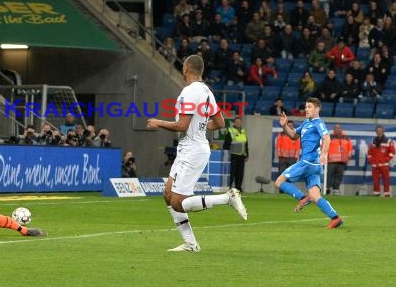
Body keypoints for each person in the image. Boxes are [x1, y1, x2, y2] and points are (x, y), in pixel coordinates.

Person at [147, 55, 248, 253]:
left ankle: (227, 198)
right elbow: (219, 123)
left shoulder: (189, 91)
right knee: (168, 195)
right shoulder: (207, 92)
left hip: (192, 150)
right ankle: (190, 243)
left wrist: (158, 122)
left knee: (178, 202)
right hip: (190, 148)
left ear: (185, 68)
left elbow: (182, 125)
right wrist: (200, 128)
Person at [273, 98, 344, 229]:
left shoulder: (318, 122)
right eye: (306, 107)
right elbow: (294, 136)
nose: (307, 109)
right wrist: (284, 125)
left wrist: (324, 153)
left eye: (310, 107)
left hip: (307, 162)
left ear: (317, 109)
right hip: (314, 166)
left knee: (279, 181)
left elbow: (326, 137)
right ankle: (335, 218)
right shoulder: (306, 123)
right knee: (315, 196)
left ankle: (302, 198)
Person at [367, 125, 395, 197]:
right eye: (377, 131)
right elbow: (369, 153)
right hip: (375, 166)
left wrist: (386, 160)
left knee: (386, 181)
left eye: (380, 131)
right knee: (376, 181)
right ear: (376, 132)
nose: (379, 132)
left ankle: (387, 195)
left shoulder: (388, 141)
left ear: (383, 131)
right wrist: (371, 161)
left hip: (384, 165)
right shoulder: (373, 141)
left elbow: (392, 152)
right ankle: (376, 195)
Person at [223, 116, 249, 192]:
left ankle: (238, 188)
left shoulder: (243, 131)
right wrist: (227, 154)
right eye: (237, 122)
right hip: (234, 155)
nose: (238, 123)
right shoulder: (230, 131)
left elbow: (246, 144)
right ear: (234, 123)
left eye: (239, 122)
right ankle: (229, 187)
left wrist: (247, 154)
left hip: (242, 156)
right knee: (232, 173)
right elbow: (226, 144)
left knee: (240, 174)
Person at [327, 124, 353, 195]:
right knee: (329, 175)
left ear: (341, 129)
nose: (337, 129)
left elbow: (350, 148)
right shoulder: (330, 137)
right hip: (331, 161)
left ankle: (336, 189)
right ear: (334, 130)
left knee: (339, 176)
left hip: (342, 161)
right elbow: (324, 147)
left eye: (338, 128)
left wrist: (348, 158)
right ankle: (327, 188)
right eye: (336, 128)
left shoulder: (346, 138)